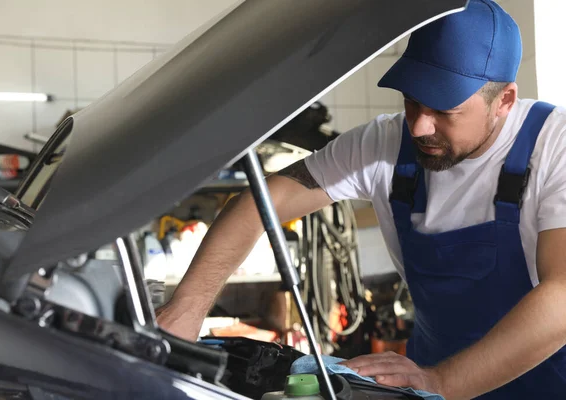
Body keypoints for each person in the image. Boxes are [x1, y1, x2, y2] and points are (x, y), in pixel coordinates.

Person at [156, 1, 566, 398]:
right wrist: (187, 308)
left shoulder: (554, 147)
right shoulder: (384, 143)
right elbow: (259, 204)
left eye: (444, 109)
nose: (420, 125)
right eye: (412, 101)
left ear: (505, 101)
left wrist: (443, 383)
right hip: (427, 381)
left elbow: (562, 296)